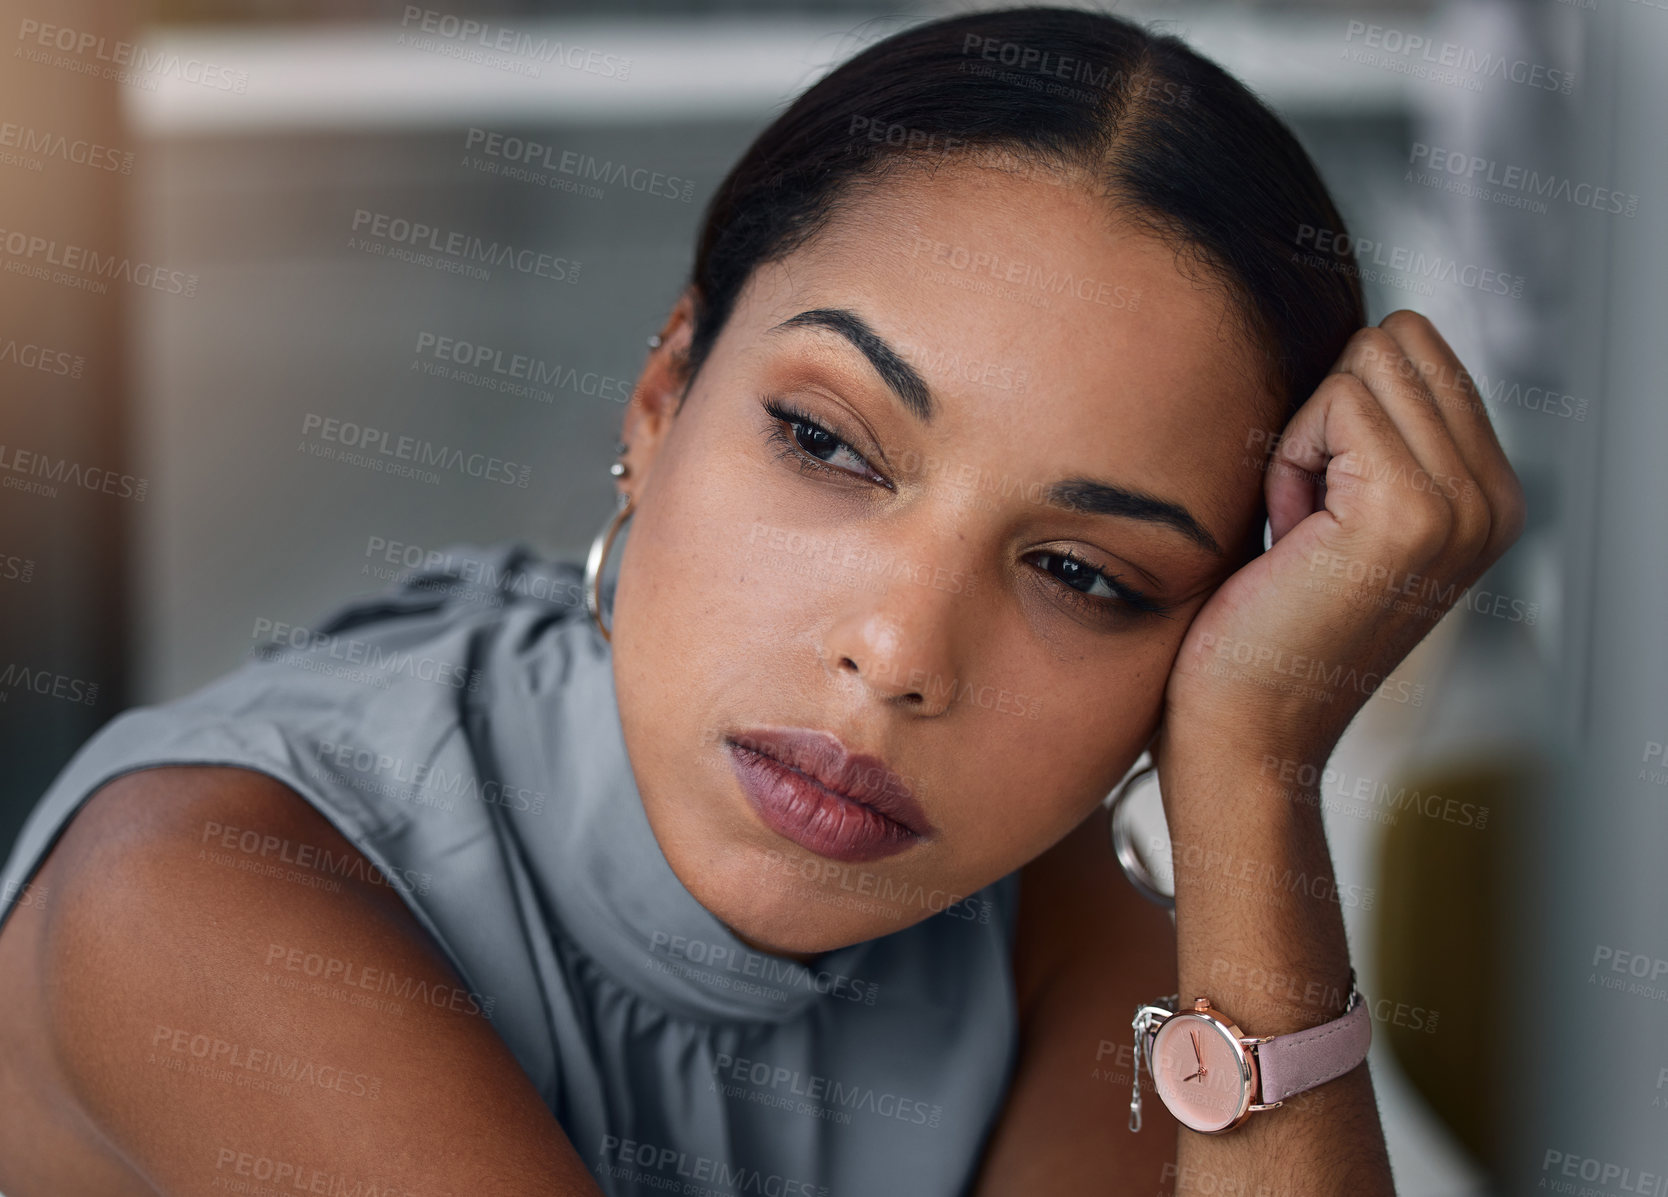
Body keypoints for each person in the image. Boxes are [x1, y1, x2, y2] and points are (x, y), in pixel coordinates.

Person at [0, 7, 1524, 1195]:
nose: (896, 652)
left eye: (1084, 574)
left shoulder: (1055, 929)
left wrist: (1255, 774)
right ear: (664, 393)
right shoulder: (202, 896)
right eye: (828, 444)